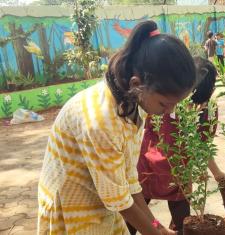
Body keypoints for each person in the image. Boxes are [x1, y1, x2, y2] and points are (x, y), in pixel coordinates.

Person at [37, 20, 196, 235]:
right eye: (164, 104)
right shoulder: (101, 121)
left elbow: (129, 181)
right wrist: (156, 233)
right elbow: (120, 201)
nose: (170, 112)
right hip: (72, 203)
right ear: (136, 83)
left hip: (100, 197)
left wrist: (158, 228)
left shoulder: (131, 105)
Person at [127, 57, 225, 235]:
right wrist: (215, 173)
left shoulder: (164, 99)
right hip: (172, 170)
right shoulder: (201, 108)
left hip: (149, 166)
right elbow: (201, 145)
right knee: (180, 219)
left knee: (136, 214)